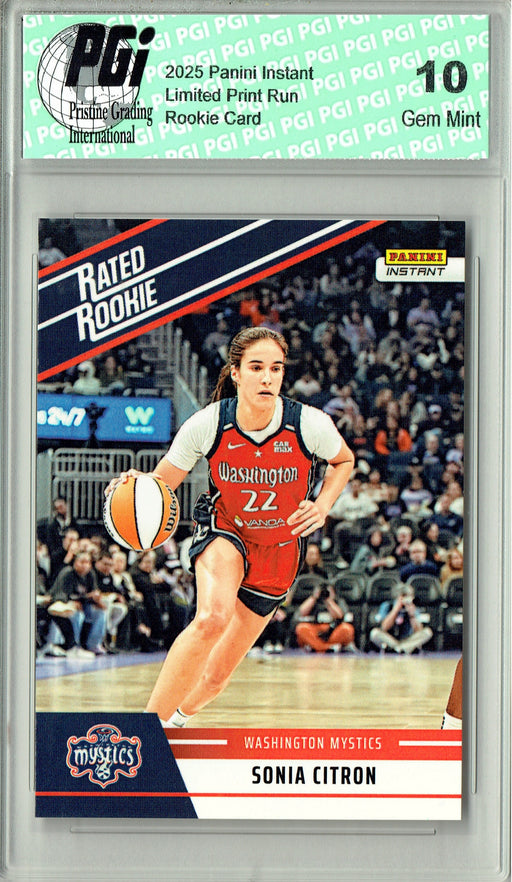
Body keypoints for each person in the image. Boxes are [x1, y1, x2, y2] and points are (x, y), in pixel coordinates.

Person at [106, 327, 354, 727]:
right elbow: (162, 484)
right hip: (227, 529)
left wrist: (323, 504)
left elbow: (344, 460)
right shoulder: (208, 423)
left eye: (276, 368)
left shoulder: (310, 423)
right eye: (256, 367)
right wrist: (138, 486)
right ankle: (147, 734)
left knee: (216, 678)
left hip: (280, 549)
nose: (267, 377)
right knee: (211, 619)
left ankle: (177, 721)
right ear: (236, 373)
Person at [369, 583, 433, 654]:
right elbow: (384, 627)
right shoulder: (387, 605)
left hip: (408, 640)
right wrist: (395, 610)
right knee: (374, 633)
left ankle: (398, 649)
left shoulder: (413, 607)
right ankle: (401, 649)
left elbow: (418, 630)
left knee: (427, 632)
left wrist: (412, 615)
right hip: (390, 640)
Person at [294, 584, 356, 653]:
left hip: (334, 629)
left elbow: (339, 616)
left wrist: (329, 601)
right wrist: (313, 597)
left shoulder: (339, 601)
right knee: (301, 628)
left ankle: (316, 647)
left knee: (347, 629)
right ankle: (328, 647)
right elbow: (301, 613)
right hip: (316, 629)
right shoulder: (313, 601)